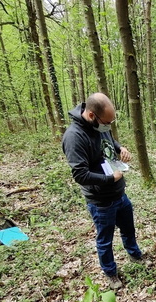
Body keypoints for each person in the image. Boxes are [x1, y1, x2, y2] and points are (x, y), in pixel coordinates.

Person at [62, 92, 143, 289]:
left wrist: (119, 147)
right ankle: (110, 272)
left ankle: (134, 254)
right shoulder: (74, 137)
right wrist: (109, 178)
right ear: (91, 115)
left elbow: (108, 139)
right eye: (106, 122)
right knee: (105, 239)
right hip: (100, 200)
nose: (108, 126)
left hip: (119, 193)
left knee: (128, 228)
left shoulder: (100, 125)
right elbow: (80, 175)